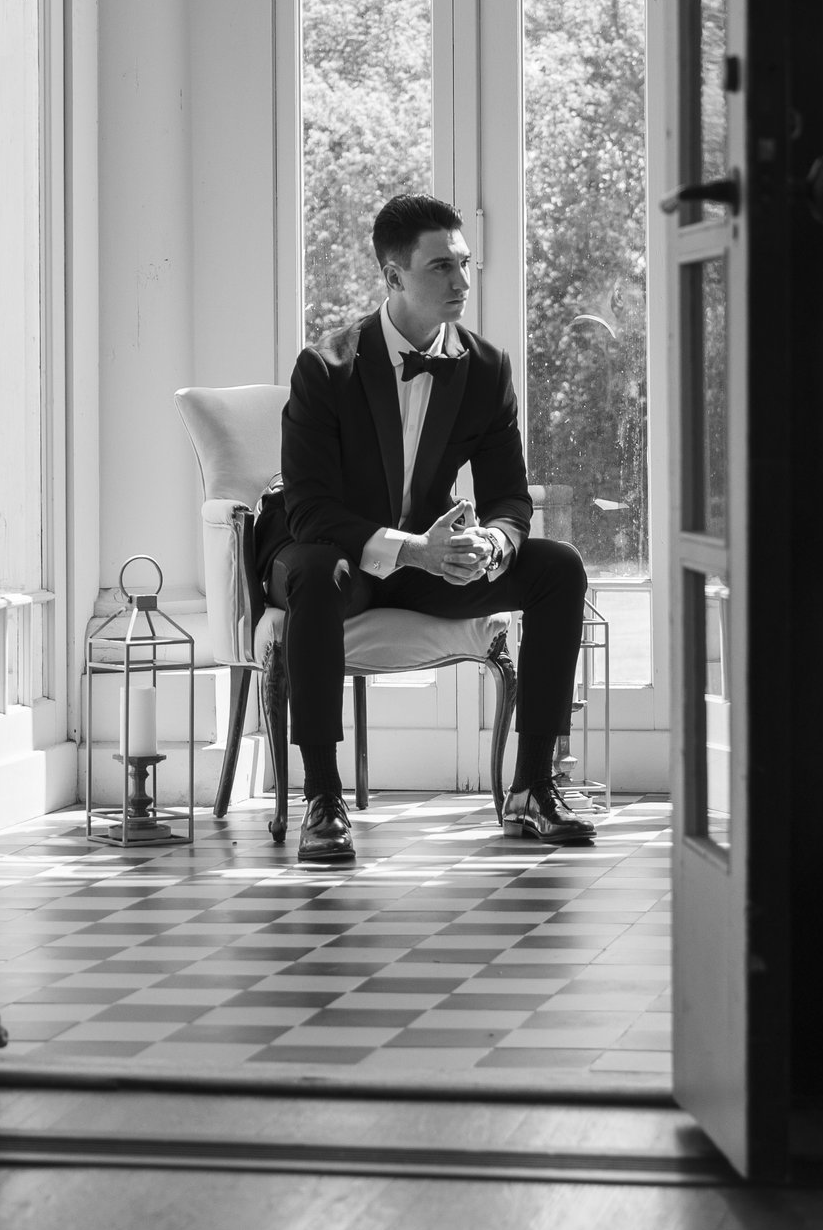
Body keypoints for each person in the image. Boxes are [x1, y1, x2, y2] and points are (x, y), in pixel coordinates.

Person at [251, 194, 596, 866]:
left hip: (424, 566)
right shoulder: (325, 366)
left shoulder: (485, 367)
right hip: (325, 555)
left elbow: (508, 499)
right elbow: (311, 511)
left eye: (465, 266)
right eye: (442, 268)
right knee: (319, 572)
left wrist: (489, 546)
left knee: (559, 567)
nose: (462, 284)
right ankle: (324, 799)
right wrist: (417, 549)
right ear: (392, 276)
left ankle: (534, 788)